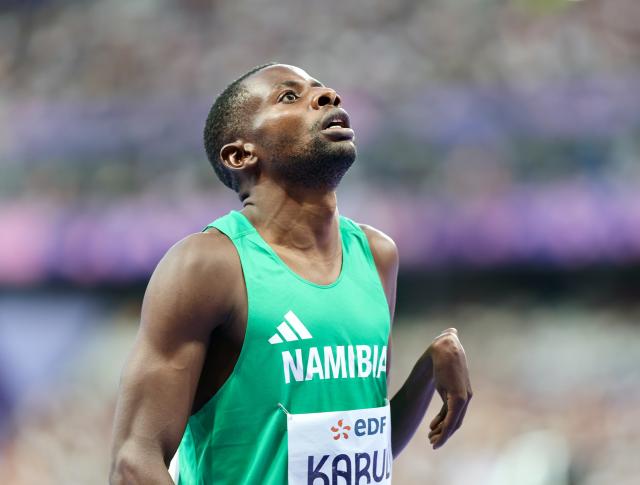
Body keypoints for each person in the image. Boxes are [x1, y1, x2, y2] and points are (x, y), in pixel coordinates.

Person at [109, 63, 472, 485]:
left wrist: (428, 369)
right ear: (240, 154)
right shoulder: (208, 265)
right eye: (289, 96)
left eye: (323, 90)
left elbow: (356, 447)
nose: (329, 96)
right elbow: (134, 463)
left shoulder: (376, 256)